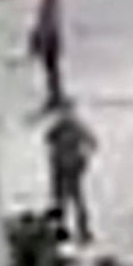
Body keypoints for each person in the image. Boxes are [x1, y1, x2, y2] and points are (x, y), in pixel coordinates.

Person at [46, 101, 96, 243]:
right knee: (60, 200)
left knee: (75, 198)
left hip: (71, 168)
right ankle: (62, 229)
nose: (65, 115)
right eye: (63, 112)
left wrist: (82, 158)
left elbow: (92, 142)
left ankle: (83, 229)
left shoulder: (76, 127)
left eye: (67, 112)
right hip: (59, 167)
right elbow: (48, 139)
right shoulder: (59, 128)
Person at [29, 0, 66, 111]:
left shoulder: (49, 5)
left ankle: (55, 96)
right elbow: (43, 23)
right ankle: (55, 96)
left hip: (49, 41)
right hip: (50, 40)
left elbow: (45, 24)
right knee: (52, 71)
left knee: (51, 71)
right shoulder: (49, 4)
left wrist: (37, 40)